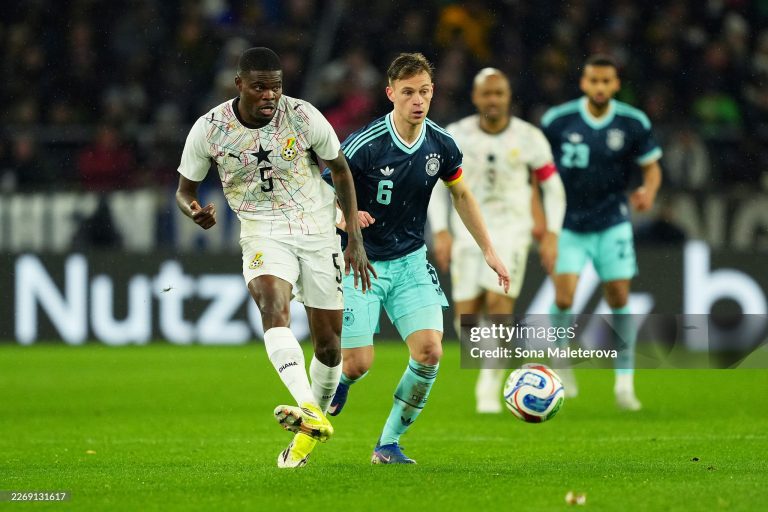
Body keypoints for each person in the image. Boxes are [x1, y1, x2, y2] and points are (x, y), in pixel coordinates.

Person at [175, 47, 374, 468]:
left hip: (317, 228)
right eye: (260, 87)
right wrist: (193, 211)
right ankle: (306, 405)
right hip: (262, 229)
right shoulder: (209, 129)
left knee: (329, 346)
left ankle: (307, 433)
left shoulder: (302, 116)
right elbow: (184, 190)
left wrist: (353, 234)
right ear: (239, 85)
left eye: (276, 86)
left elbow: (339, 169)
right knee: (272, 306)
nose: (269, 95)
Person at [325, 53, 510, 464]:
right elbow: (327, 187)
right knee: (358, 364)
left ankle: (388, 444)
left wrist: (489, 250)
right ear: (390, 93)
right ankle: (340, 380)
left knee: (430, 350)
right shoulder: (365, 144)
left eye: (424, 91)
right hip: (361, 262)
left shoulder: (441, 144)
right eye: (408, 92)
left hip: (410, 261)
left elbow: (460, 194)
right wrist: (344, 214)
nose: (417, 100)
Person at [428, 68, 566, 414]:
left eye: (499, 94)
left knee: (499, 307)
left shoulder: (529, 137)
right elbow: (435, 188)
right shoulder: (456, 135)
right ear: (475, 98)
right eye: (487, 94)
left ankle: (490, 384)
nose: (493, 100)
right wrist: (441, 230)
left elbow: (553, 187)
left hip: (512, 231)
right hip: (468, 232)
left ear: (508, 97)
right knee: (467, 320)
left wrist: (552, 233)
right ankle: (496, 363)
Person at [541, 55, 663, 411]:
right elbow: (537, 169)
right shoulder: (557, 120)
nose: (599, 87)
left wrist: (649, 191)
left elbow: (652, 168)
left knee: (619, 297)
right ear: (584, 83)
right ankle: (560, 360)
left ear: (615, 84)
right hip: (568, 223)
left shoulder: (632, 122)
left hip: (612, 221)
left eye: (606, 81)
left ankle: (624, 383)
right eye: (593, 81)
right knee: (564, 298)